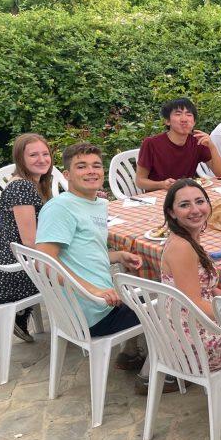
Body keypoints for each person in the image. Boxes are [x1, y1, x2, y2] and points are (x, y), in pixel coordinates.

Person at [36, 143, 143, 337]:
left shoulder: (97, 203)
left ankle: (132, 354)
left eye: (96, 165)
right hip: (95, 313)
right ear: (67, 175)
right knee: (175, 306)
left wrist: (118, 256)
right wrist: (94, 291)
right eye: (81, 166)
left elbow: (83, 252)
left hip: (104, 302)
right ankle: (158, 365)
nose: (91, 171)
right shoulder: (60, 208)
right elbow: (43, 263)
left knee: (158, 294)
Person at [160, 179, 221, 371]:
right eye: (184, 205)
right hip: (196, 344)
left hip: (187, 329)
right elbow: (194, 302)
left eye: (200, 201)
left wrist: (213, 290)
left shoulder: (185, 238)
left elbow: (189, 285)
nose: (195, 210)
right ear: (172, 212)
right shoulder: (182, 247)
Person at [0, 133, 54, 343]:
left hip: (2, 262)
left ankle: (22, 316)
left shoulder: (30, 183)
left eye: (45, 153)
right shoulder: (22, 187)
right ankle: (82, 324)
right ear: (20, 158)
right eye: (33, 155)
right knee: (71, 268)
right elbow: (30, 242)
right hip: (11, 273)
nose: (41, 159)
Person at [136, 98, 221, 190]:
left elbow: (220, 173)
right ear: (167, 121)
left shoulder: (198, 141)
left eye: (189, 114)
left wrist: (211, 146)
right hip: (159, 196)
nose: (184, 119)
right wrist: (162, 184)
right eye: (178, 114)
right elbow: (140, 181)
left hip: (186, 193)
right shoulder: (151, 143)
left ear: (194, 122)